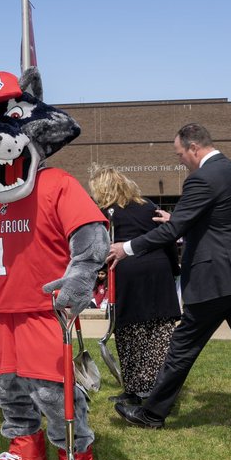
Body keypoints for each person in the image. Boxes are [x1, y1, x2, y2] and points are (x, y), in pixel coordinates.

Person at [109, 123, 231, 446]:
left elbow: (170, 234)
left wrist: (127, 248)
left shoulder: (201, 178)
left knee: (182, 350)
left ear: (194, 148)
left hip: (215, 280)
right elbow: (222, 223)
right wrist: (177, 222)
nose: (180, 161)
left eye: (180, 155)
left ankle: (151, 415)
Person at [88, 166, 180, 406]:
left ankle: (136, 389)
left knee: (129, 333)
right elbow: (167, 237)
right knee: (158, 333)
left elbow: (99, 248)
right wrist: (174, 269)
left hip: (128, 273)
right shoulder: (148, 205)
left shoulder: (104, 213)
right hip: (158, 272)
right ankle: (151, 389)